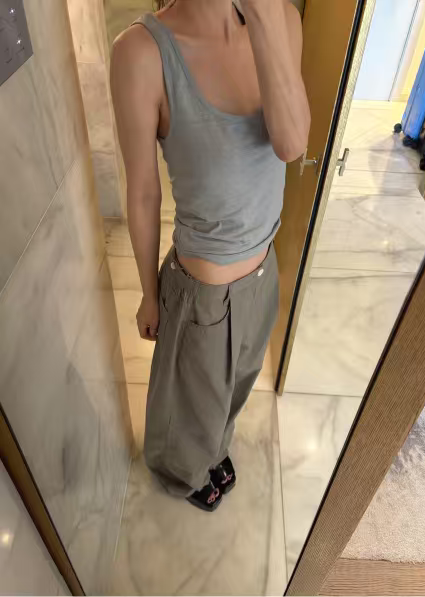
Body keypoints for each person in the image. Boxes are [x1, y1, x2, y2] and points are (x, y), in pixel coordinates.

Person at [110, 0, 310, 512]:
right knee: (188, 409)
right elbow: (142, 193)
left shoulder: (283, 19)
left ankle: (211, 451)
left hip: (263, 273)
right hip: (203, 291)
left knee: (235, 388)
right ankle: (179, 473)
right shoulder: (141, 52)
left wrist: (264, 19)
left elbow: (291, 145)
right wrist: (149, 294)